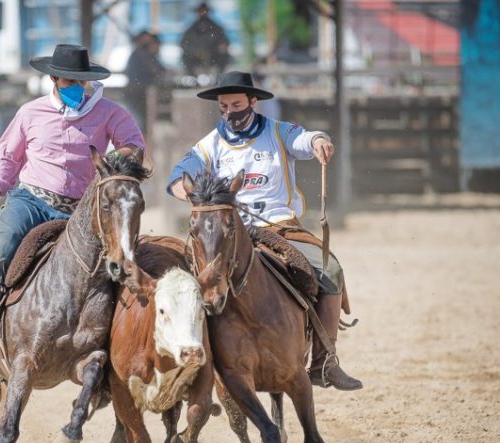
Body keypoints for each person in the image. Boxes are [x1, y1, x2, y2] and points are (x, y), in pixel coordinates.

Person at [0, 44, 146, 371]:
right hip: (32, 201)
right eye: (69, 82)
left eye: (80, 82)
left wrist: (110, 161)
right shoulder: (30, 112)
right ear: (54, 79)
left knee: (119, 263)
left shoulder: (110, 112)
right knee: (0, 248)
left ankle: (118, 349)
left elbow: (134, 146)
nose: (76, 88)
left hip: (82, 211)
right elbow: (8, 158)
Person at [167, 71, 362, 391]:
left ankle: (324, 362)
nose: (230, 112)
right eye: (224, 106)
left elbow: (306, 138)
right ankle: (188, 361)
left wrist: (318, 141)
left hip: (280, 227)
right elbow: (178, 177)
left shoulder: (278, 132)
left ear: (253, 102)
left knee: (331, 270)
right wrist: (193, 197)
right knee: (186, 282)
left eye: (236, 104)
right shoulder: (209, 145)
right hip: (228, 234)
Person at [124, 30, 167, 133]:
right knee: (140, 125)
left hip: (142, 95)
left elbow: (160, 71)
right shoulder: (141, 55)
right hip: (137, 94)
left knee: (145, 125)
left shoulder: (147, 56)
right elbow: (156, 72)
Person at [180, 2, 230, 76]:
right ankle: (192, 78)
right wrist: (196, 52)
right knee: (185, 56)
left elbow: (224, 41)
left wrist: (222, 46)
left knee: (224, 55)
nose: (203, 13)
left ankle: (219, 77)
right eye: (201, 11)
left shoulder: (217, 28)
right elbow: (184, 43)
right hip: (196, 57)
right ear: (197, 12)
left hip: (213, 56)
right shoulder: (190, 29)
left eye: (205, 11)